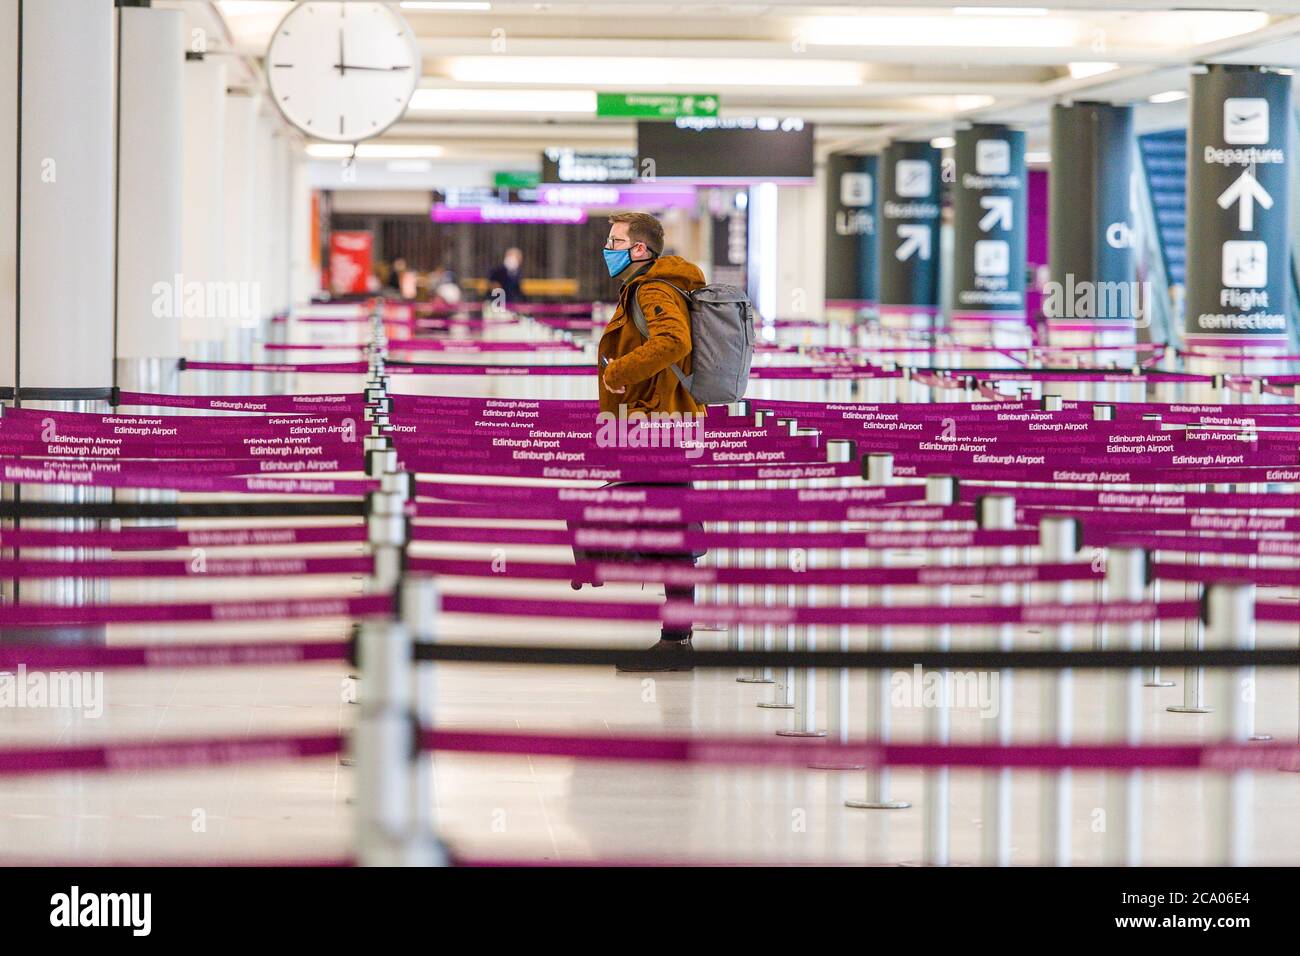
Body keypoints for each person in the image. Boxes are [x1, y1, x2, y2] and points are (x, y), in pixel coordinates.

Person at [587, 211, 707, 672]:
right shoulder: (653, 285)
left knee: (672, 531)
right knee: (672, 528)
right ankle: (676, 638)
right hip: (661, 422)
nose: (607, 248)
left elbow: (673, 342)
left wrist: (617, 373)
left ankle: (676, 640)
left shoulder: (653, 287)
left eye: (615, 240)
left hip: (660, 427)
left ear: (640, 249)